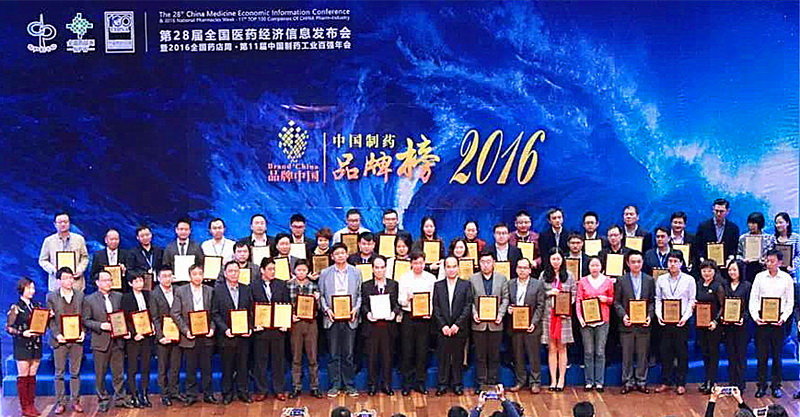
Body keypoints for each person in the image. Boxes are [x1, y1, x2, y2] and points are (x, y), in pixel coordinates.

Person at [82, 270, 134, 412]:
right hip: (100, 341)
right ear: (97, 283)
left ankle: (120, 398)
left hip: (118, 340)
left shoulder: (119, 296)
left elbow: (125, 317)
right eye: (105, 280)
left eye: (110, 280)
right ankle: (103, 399)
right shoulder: (89, 299)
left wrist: (126, 331)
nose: (108, 283)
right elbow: (85, 320)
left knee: (118, 372)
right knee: (100, 374)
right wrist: (100, 325)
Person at [319, 243, 362, 397]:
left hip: (350, 317)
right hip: (332, 318)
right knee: (333, 354)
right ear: (332, 256)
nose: (340, 256)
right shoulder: (325, 273)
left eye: (343, 253)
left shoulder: (356, 272)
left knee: (348, 354)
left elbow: (360, 295)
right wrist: (327, 310)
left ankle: (349, 385)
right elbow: (321, 295)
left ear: (347, 254)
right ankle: (335, 385)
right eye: (337, 254)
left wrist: (356, 309)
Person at [170, 264, 218, 405]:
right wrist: (185, 330)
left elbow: (215, 313)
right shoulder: (181, 291)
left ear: (203, 275)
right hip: (189, 336)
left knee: (207, 367)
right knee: (190, 368)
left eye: (200, 274)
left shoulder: (210, 291)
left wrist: (212, 328)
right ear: (189, 276)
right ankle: (191, 395)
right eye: (194, 274)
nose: (197, 277)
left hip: (206, 335)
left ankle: (208, 394)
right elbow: (175, 313)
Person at [749, 250, 793, 398]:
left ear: (780, 262)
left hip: (778, 322)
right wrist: (756, 317)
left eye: (772, 261)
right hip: (761, 322)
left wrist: (783, 318)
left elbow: (790, 302)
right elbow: (753, 299)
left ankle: (776, 386)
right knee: (761, 356)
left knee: (777, 355)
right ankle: (761, 385)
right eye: (767, 261)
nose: (769, 264)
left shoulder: (786, 278)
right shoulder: (759, 277)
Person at [654, 250, 696, 395]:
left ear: (681, 263)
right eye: (670, 261)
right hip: (665, 321)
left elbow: (692, 300)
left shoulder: (689, 280)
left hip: (682, 321)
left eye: (675, 261)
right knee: (665, 351)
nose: (672, 264)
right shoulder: (661, 279)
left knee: (681, 352)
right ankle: (666, 381)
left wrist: (685, 317)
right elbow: (658, 299)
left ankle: (681, 383)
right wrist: (659, 315)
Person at [614, 250, 655, 394]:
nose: (636, 264)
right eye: (633, 262)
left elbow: (652, 301)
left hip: (643, 324)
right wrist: (623, 316)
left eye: (639, 261)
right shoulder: (621, 280)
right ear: (627, 263)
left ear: (642, 263)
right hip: (627, 324)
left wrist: (650, 316)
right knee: (627, 355)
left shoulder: (649, 280)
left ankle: (641, 381)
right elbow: (617, 302)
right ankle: (628, 382)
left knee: (643, 355)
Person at [212, 261, 254, 404]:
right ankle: (227, 393)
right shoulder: (218, 290)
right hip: (227, 335)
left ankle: (243, 392)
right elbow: (215, 313)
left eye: (236, 271)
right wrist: (225, 329)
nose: (234, 274)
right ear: (225, 273)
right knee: (227, 366)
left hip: (243, 336)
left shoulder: (246, 289)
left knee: (243, 365)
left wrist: (250, 328)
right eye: (230, 271)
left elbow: (251, 312)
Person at [46, 268, 85, 414]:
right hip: (60, 341)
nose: (69, 281)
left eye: (71, 278)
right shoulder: (51, 297)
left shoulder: (80, 296)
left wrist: (83, 332)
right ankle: (61, 403)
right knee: (59, 373)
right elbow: (50, 321)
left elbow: (84, 317)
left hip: (76, 340)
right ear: (59, 281)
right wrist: (57, 335)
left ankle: (75, 401)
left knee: (75, 372)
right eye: (66, 278)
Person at [470, 250, 510, 392]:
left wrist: (500, 314)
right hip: (479, 323)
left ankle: (492, 382)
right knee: (480, 355)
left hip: (496, 323)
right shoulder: (472, 279)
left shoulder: (502, 278)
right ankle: (481, 383)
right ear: (479, 263)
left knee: (494, 355)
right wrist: (474, 313)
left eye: (488, 262)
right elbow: (469, 300)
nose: (485, 265)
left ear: (493, 263)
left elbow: (506, 299)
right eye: (483, 262)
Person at [397, 251, 436, 395]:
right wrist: (407, 299)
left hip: (425, 318)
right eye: (415, 263)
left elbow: (433, 300)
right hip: (409, 317)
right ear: (411, 264)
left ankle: (420, 383)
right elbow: (400, 300)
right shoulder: (404, 278)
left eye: (421, 263)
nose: (418, 266)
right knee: (407, 350)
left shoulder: (431, 278)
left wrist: (429, 312)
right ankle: (406, 384)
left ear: (424, 263)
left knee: (422, 351)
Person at [361, 256, 401, 396]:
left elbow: (397, 304)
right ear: (372, 269)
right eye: (376, 267)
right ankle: (372, 385)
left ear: (386, 268)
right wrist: (367, 314)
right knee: (372, 358)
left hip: (388, 327)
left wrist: (394, 313)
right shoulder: (366, 285)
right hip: (372, 327)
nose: (379, 270)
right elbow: (363, 304)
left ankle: (387, 385)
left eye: (382, 267)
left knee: (387, 357)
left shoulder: (393, 284)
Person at [433, 256, 473, 396]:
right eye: (448, 267)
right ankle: (442, 384)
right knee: (443, 357)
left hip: (459, 328)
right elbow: (436, 307)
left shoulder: (466, 285)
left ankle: (457, 384)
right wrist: (443, 325)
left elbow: (468, 306)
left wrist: (457, 324)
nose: (451, 269)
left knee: (458, 357)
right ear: (444, 268)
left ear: (458, 268)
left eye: (454, 266)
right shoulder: (438, 285)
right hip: (443, 328)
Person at [252, 257, 289, 401]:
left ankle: (279, 389)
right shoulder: (253, 286)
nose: (272, 272)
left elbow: (286, 304)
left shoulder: (281, 284)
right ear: (262, 270)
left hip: (278, 329)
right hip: (261, 330)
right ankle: (261, 390)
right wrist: (254, 324)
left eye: (274, 269)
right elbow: (250, 307)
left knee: (278, 361)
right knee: (260, 361)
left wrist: (285, 323)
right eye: (269, 269)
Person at [506, 257, 546, 394]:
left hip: (532, 326)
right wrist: (508, 309)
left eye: (525, 268)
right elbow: (506, 301)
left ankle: (535, 382)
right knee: (518, 355)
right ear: (516, 269)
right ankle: (520, 381)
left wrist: (533, 322)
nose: (522, 270)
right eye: (520, 267)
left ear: (530, 270)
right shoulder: (510, 283)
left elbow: (540, 306)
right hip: (515, 326)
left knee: (534, 356)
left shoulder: (537, 284)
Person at [7, 278, 44, 417]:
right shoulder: (16, 307)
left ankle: (31, 404)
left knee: (32, 375)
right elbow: (9, 328)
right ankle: (24, 406)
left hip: (36, 343)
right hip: (22, 344)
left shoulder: (37, 305)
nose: (32, 291)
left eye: (33, 288)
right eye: (29, 288)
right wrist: (22, 333)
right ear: (22, 289)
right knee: (23, 375)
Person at [286, 259, 323, 398]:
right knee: (296, 357)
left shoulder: (314, 286)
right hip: (295, 324)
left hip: (311, 323)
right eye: (299, 270)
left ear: (308, 271)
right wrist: (290, 316)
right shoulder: (288, 285)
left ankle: (315, 386)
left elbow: (320, 308)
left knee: (312, 356)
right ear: (294, 271)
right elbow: (284, 305)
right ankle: (296, 387)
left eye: (304, 270)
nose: (301, 272)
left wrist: (317, 299)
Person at [576, 257, 614, 392]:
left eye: (597, 265)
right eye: (592, 265)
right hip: (586, 321)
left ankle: (599, 382)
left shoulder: (608, 281)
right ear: (588, 267)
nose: (595, 268)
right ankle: (589, 382)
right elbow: (579, 300)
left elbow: (613, 300)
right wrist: (580, 317)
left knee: (600, 352)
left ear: (601, 266)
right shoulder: (582, 281)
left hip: (603, 320)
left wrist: (606, 299)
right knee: (588, 351)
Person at [540, 248, 576, 391]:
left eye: (558, 259)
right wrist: (549, 292)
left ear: (563, 260)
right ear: (549, 260)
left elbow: (574, 294)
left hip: (564, 317)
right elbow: (539, 294)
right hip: (548, 315)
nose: (556, 262)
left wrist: (566, 307)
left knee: (562, 348)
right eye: (553, 259)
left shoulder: (569, 276)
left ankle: (561, 379)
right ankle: (553, 380)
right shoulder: (544, 275)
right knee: (551, 348)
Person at [148, 268, 182, 406]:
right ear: (158, 278)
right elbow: (154, 317)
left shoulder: (178, 290)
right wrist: (160, 336)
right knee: (163, 367)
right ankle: (164, 394)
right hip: (163, 335)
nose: (167, 279)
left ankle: (174, 391)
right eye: (164, 276)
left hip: (177, 334)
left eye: (169, 276)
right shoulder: (154, 294)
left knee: (175, 365)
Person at [121, 274, 153, 407]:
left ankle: (144, 394)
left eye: (141, 280)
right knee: (132, 367)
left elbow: (152, 313)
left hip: (147, 336)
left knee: (146, 367)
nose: (140, 283)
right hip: (133, 338)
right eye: (136, 281)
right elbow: (124, 318)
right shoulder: (126, 298)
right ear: (130, 283)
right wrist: (134, 333)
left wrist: (151, 327)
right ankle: (133, 395)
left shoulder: (148, 295)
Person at [39, 212, 89, 291]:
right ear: (55, 224)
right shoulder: (48, 241)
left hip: (76, 283)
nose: (63, 224)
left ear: (69, 223)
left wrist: (80, 269)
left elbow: (85, 257)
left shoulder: (79, 239)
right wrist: (54, 270)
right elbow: (42, 260)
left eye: (65, 222)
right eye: (60, 222)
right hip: (56, 284)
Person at [695, 260, 725, 394]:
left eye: (709, 270)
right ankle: (706, 379)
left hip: (713, 325)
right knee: (705, 353)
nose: (706, 273)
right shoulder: (699, 284)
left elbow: (723, 306)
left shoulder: (718, 286)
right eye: (704, 270)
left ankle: (712, 382)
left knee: (713, 354)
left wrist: (716, 321)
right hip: (701, 324)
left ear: (714, 271)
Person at [721, 260, 750, 392]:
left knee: (741, 355)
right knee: (731, 355)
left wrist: (743, 318)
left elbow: (750, 306)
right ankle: (732, 383)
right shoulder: (724, 285)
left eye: (734, 269)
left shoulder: (747, 286)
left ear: (740, 271)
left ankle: (740, 384)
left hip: (742, 326)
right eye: (730, 270)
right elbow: (721, 304)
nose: (731, 272)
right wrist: (722, 317)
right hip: (728, 326)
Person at [696, 198, 741, 266]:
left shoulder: (733, 228)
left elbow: (734, 248)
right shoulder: (703, 227)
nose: (718, 214)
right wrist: (703, 260)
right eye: (716, 211)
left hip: (726, 265)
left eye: (721, 211)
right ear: (713, 210)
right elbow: (698, 247)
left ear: (727, 211)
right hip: (707, 266)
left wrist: (730, 259)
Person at [737, 212, 776, 283]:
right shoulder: (743, 238)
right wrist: (743, 259)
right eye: (749, 223)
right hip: (747, 270)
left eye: (754, 223)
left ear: (760, 224)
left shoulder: (769, 238)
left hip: (763, 270)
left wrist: (765, 260)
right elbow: (738, 254)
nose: (751, 225)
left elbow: (771, 255)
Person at [773, 212, 799, 279]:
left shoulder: (796, 237)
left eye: (780, 222)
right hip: (775, 273)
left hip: (790, 274)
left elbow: (799, 255)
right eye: (776, 223)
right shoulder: (773, 238)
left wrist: (792, 265)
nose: (778, 225)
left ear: (787, 223)